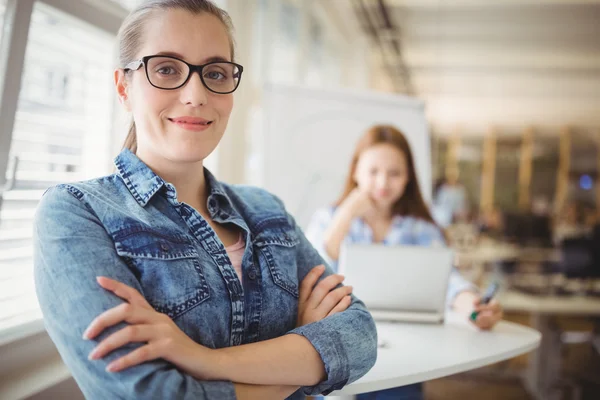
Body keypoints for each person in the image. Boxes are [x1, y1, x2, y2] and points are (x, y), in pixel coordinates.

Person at [33, 1, 377, 399]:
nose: (196, 94)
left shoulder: (267, 211)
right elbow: (151, 394)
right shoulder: (75, 212)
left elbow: (359, 337)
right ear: (124, 87)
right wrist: (300, 361)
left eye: (215, 72)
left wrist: (199, 359)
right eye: (166, 69)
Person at [306, 125, 503, 400]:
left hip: (405, 347)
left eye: (395, 173)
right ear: (355, 171)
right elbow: (313, 269)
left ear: (408, 177)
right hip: (340, 345)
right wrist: (348, 212)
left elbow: (447, 282)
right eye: (373, 171)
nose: (383, 183)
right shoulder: (329, 219)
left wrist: (474, 305)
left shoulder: (421, 228)